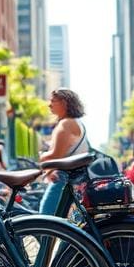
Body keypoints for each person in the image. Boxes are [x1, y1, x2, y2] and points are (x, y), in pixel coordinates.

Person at [39, 88, 91, 216]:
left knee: (45, 221)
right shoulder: (77, 123)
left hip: (62, 180)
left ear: (64, 103)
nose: (49, 104)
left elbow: (56, 155)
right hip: (75, 180)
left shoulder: (66, 124)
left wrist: (41, 156)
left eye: (53, 101)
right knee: (64, 224)